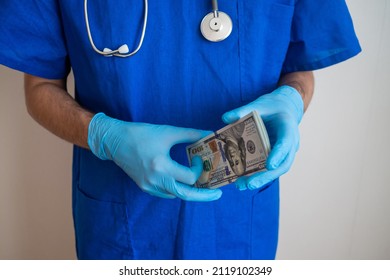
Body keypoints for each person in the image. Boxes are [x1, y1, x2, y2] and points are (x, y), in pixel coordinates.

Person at [0, 0, 361, 259]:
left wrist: (291, 101)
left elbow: (299, 66)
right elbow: (40, 88)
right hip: (121, 222)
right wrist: (104, 136)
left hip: (239, 218)